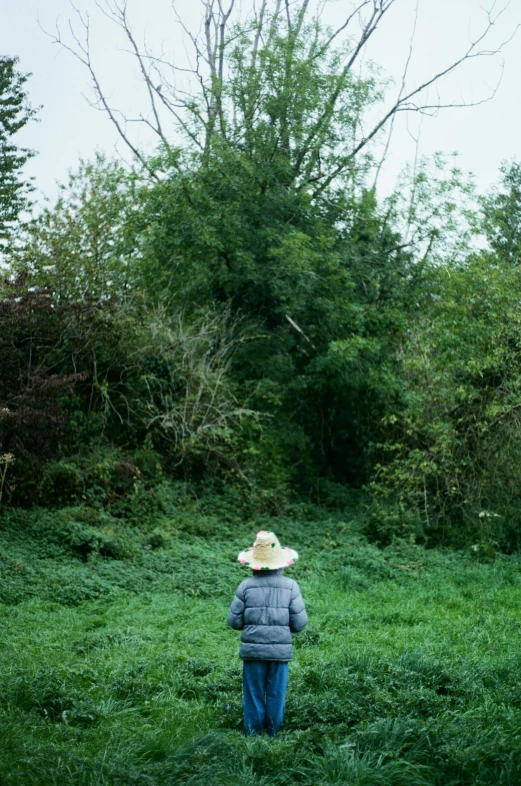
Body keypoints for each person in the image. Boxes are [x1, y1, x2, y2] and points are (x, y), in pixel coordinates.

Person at [227, 529, 308, 737]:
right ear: (280, 562)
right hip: (280, 653)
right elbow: (299, 624)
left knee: (253, 694)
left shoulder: (245, 586)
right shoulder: (291, 586)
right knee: (276, 694)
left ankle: (252, 736)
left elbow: (233, 621)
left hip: (252, 651)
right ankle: (273, 735)